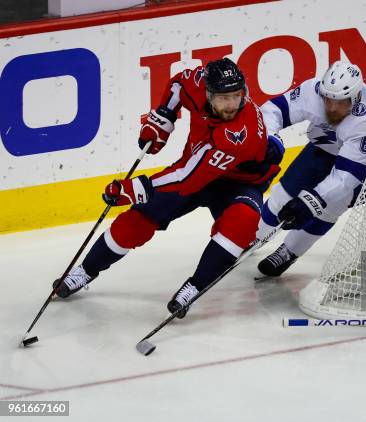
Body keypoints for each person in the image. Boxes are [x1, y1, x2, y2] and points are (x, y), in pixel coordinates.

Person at [53, 58, 284, 318]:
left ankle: (194, 287)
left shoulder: (241, 132)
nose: (231, 104)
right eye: (223, 98)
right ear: (208, 93)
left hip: (237, 182)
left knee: (240, 223)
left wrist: (136, 188)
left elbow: (188, 179)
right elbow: (178, 85)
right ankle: (85, 270)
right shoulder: (197, 83)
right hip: (194, 170)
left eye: (236, 96)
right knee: (138, 219)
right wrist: (163, 117)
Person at [255, 61, 366, 277]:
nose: (332, 108)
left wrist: (310, 201)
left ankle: (288, 251)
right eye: (328, 99)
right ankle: (252, 237)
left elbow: (345, 180)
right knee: (284, 193)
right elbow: (272, 109)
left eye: (340, 102)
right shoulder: (313, 91)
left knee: (328, 205)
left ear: (354, 98)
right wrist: (270, 138)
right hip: (329, 145)